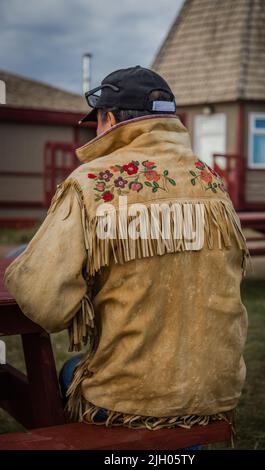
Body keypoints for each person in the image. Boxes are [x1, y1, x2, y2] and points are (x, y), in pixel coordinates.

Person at [4, 66, 248, 443]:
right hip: (215, 390)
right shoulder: (209, 179)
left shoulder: (92, 182)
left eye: (97, 121)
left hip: (128, 398)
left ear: (111, 119)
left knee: (66, 377)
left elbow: (44, 301)